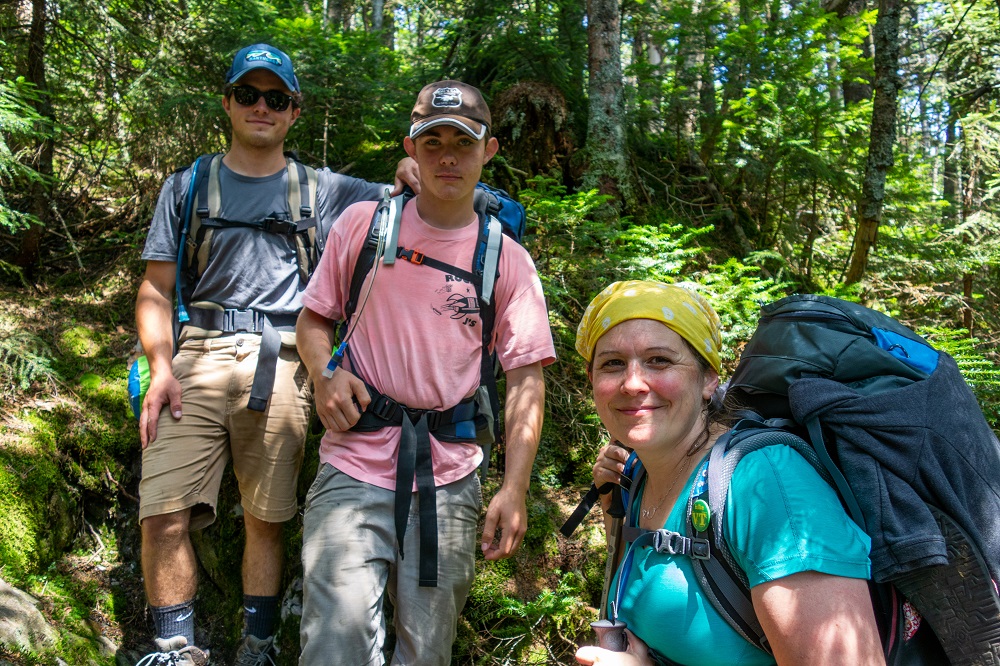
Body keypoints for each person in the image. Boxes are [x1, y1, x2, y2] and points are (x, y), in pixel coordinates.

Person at [134, 43, 418, 666]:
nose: (261, 107)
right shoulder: (186, 186)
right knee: (163, 510)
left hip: (286, 360)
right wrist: (158, 368)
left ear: (293, 112)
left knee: (267, 516)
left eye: (276, 99)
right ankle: (174, 648)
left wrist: (410, 162)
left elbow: (402, 196)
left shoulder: (323, 190)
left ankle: (257, 644)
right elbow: (155, 288)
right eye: (248, 95)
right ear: (228, 103)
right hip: (195, 359)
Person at [295, 79, 556, 665]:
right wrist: (323, 374)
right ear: (410, 148)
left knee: (428, 651)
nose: (446, 157)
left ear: (488, 151)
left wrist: (514, 489)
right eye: (431, 141)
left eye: (462, 143)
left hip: (449, 477)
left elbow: (525, 382)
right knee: (333, 645)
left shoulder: (505, 259)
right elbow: (314, 320)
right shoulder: (363, 227)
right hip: (354, 463)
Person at [572, 281, 885, 666]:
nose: (633, 383)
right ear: (592, 381)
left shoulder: (767, 482)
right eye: (612, 363)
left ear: (708, 379)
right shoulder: (640, 474)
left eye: (659, 360)